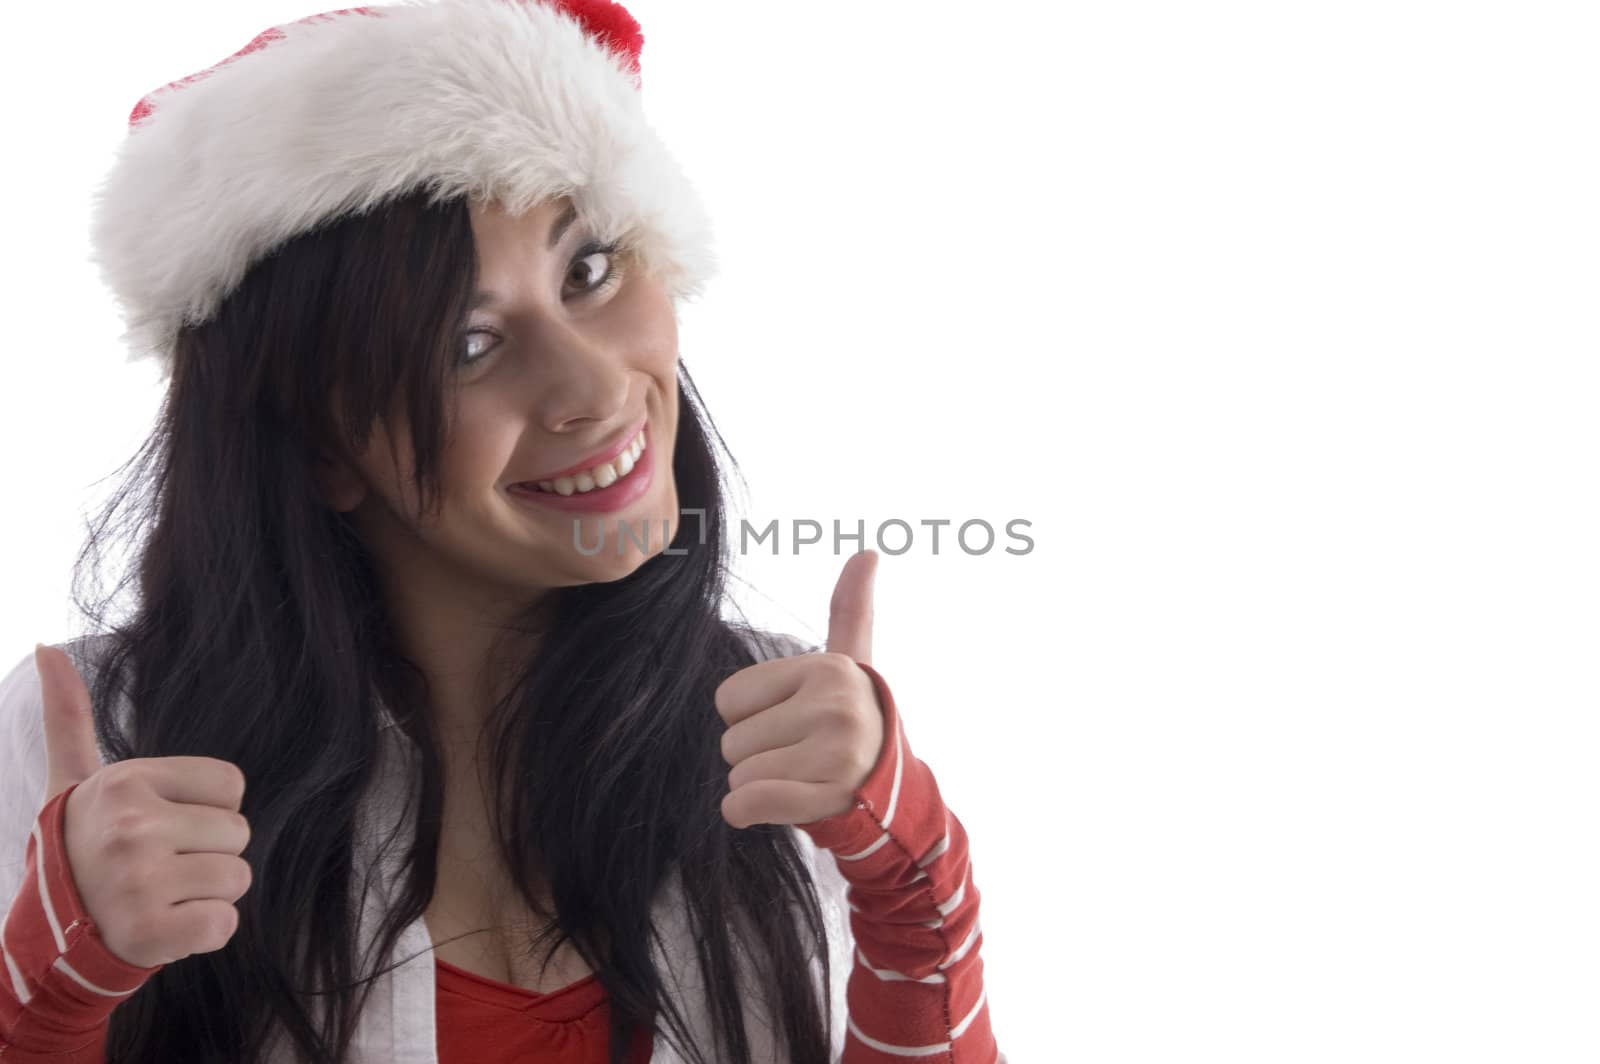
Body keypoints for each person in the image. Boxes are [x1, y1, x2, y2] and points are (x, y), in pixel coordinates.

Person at [0, 1, 1002, 1061]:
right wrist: (50, 997)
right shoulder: (109, 745)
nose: (592, 384)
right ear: (323, 445)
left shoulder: (785, 733)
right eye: (469, 342)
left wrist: (912, 889)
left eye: (590, 269)